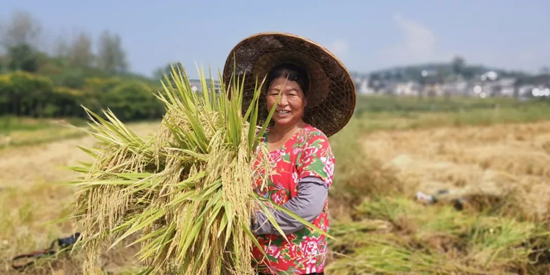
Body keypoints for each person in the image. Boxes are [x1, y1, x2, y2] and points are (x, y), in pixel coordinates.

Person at [223, 32, 356, 275]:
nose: (281, 102)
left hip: (295, 265)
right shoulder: (253, 141)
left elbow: (308, 207)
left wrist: (249, 221)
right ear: (265, 97)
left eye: (292, 94)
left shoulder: (313, 142)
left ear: (305, 100)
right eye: (275, 93)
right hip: (252, 264)